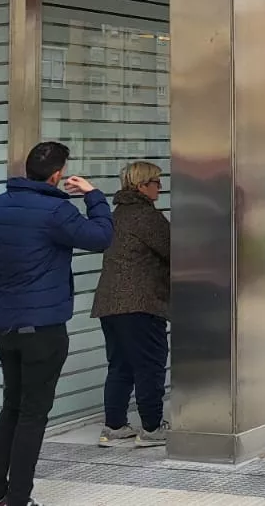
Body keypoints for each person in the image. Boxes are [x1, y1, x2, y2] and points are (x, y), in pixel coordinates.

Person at [0, 142, 114, 506]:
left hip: (6, 325)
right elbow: (102, 237)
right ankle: (18, 499)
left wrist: (3, 286)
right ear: (57, 175)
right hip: (44, 329)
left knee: (12, 406)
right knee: (32, 414)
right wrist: (94, 196)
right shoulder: (56, 211)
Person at [91, 161, 172, 449]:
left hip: (109, 304)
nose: (159, 187)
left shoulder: (117, 215)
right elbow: (174, 248)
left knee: (121, 365)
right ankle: (151, 427)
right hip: (140, 303)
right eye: (156, 182)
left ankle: (114, 426)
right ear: (141, 186)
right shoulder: (145, 217)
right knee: (150, 364)